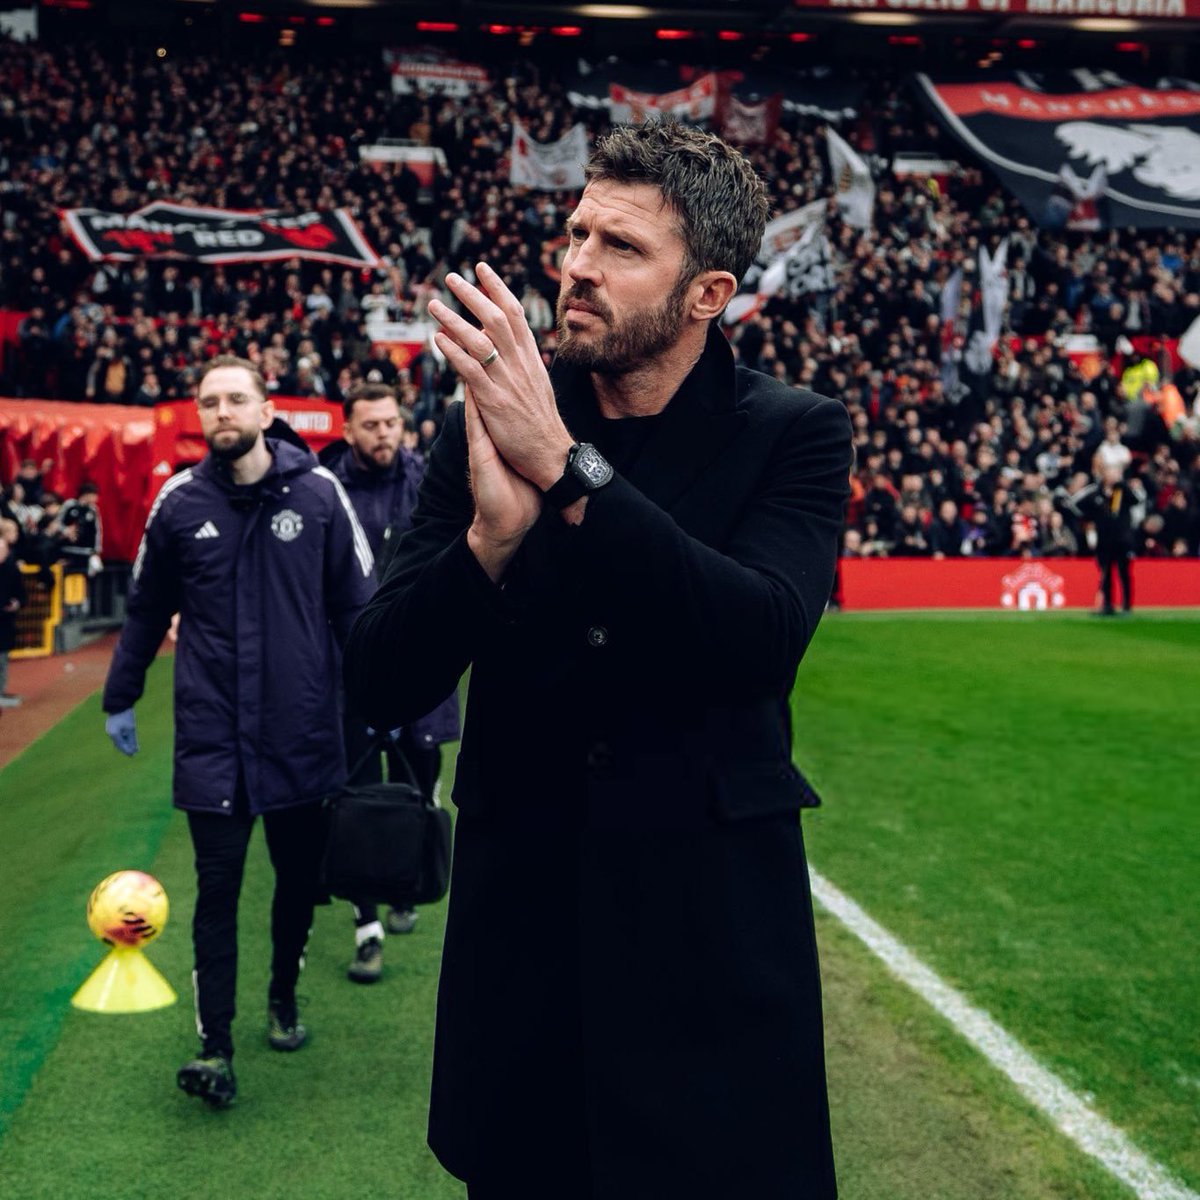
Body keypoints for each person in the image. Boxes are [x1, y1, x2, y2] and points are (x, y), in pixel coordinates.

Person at [344, 122, 851, 1199]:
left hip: (709, 963)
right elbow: (380, 679)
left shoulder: (793, 432)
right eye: (576, 233)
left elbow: (759, 637)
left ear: (707, 292)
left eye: (620, 247)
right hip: (523, 966)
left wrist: (569, 479)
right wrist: (488, 542)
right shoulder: (486, 423)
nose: (575, 266)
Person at [101, 354, 375, 1109]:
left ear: (264, 411)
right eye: (209, 401)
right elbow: (146, 609)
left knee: (296, 885)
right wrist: (119, 696)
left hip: (301, 737)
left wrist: (385, 693)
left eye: (235, 400)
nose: (222, 412)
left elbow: (358, 608)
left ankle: (283, 995)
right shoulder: (179, 505)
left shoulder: (320, 496)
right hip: (213, 742)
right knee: (215, 894)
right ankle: (213, 1045)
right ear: (201, 415)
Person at [319, 382, 461, 983]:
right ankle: (366, 927)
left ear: (404, 427)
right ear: (348, 430)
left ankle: (403, 885)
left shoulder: (431, 478)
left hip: (422, 668)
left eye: (390, 423)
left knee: (418, 787)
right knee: (353, 799)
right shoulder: (326, 491)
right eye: (369, 425)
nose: (382, 434)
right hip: (348, 674)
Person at [1066, 464, 1146, 614]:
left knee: (1124, 572)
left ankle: (1127, 604)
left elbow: (1136, 500)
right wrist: (1088, 520)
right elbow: (1076, 505)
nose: (1113, 476)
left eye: (1116, 473)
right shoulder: (1096, 492)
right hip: (1104, 540)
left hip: (1122, 539)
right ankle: (1107, 604)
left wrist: (1123, 485)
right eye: (1111, 473)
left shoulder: (1122, 491)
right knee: (1106, 572)